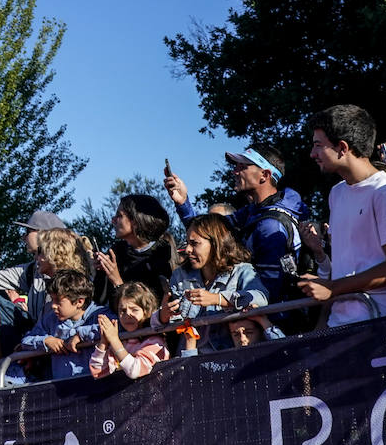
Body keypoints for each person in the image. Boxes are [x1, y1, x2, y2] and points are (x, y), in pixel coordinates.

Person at [299, 105, 386, 326]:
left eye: (318, 146)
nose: (312, 154)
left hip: (384, 324)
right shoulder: (336, 193)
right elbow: (346, 267)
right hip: (340, 324)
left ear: (342, 147)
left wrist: (332, 288)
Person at [165, 145, 308, 303]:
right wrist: (183, 202)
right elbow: (208, 233)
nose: (235, 171)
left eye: (243, 166)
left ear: (264, 175)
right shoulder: (251, 212)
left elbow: (269, 293)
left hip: (271, 319)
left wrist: (221, 301)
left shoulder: (270, 225)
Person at [156, 214, 271, 352]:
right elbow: (166, 322)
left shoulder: (241, 271)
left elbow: (261, 298)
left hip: (229, 358)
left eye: (194, 243)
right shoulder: (180, 275)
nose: (187, 249)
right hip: (190, 359)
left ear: (217, 243)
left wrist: (218, 299)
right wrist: (163, 315)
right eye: (187, 243)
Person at [17, 269, 109, 380]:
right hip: (62, 387)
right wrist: (46, 341)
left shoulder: (99, 314)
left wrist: (81, 335)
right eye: (52, 299)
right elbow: (26, 341)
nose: (53, 306)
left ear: (80, 302)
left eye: (58, 301)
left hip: (99, 384)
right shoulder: (50, 320)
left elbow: (114, 328)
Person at [92, 194, 173, 309]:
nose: (113, 220)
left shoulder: (160, 257)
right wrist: (101, 273)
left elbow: (148, 310)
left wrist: (117, 282)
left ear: (136, 221)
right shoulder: (117, 251)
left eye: (119, 215)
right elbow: (99, 300)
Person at [89, 282, 168, 379]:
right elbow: (98, 372)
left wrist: (114, 340)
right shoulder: (122, 340)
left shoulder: (155, 342)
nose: (127, 315)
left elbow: (135, 371)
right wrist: (104, 342)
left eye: (134, 310)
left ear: (146, 311)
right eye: (122, 311)